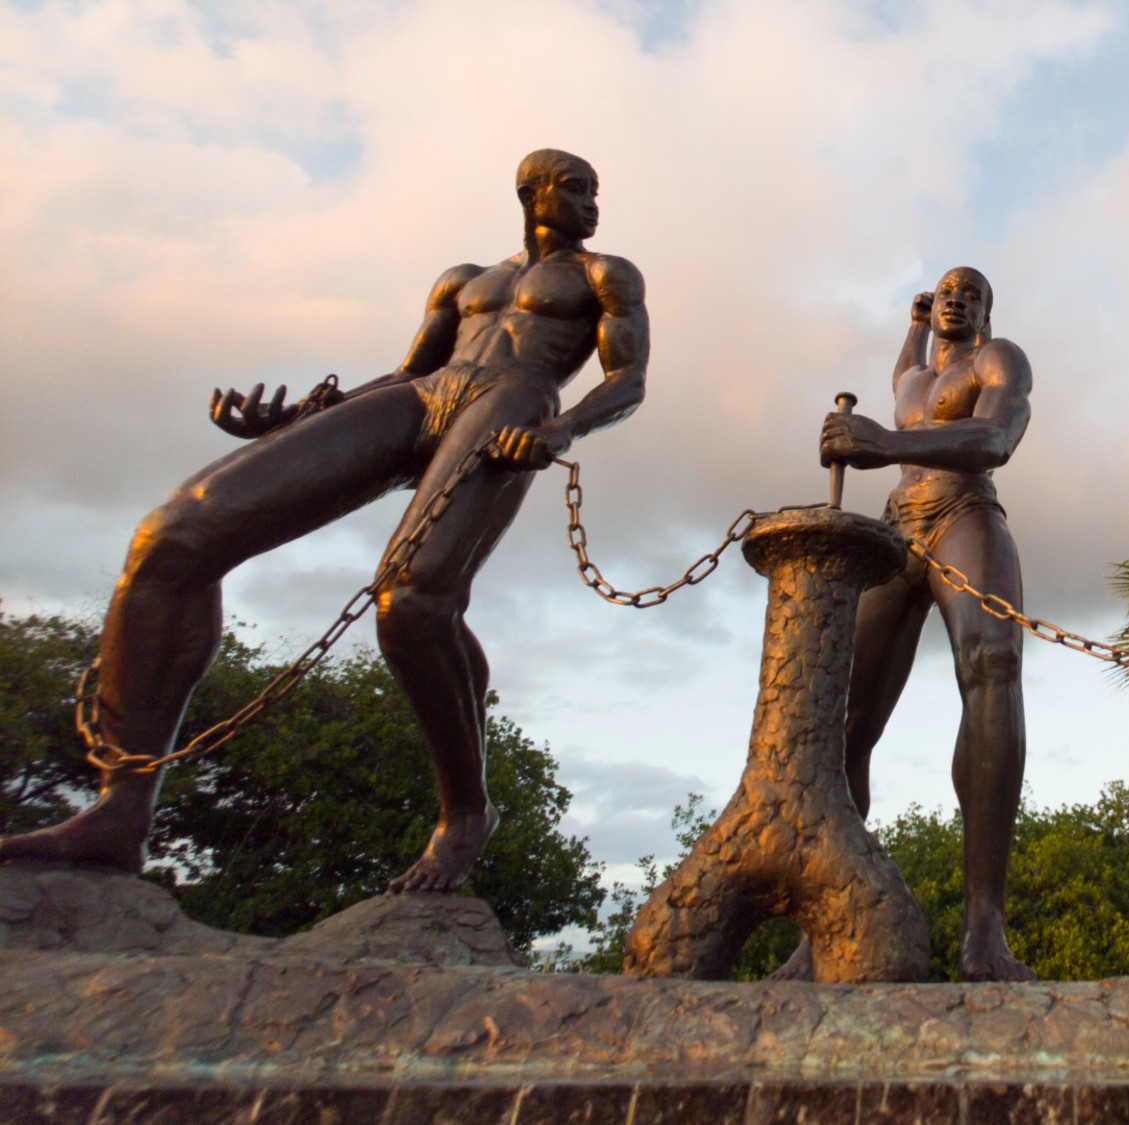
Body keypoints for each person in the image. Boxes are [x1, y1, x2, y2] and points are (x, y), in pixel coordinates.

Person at [1, 149, 648, 895]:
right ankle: (118, 813)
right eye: (575, 188)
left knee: (410, 601)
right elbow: (408, 373)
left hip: (514, 400)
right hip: (426, 393)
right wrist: (304, 416)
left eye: (594, 191)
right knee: (171, 536)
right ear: (530, 194)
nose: (591, 203)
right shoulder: (464, 280)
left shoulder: (607, 275)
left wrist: (562, 429)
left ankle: (465, 813)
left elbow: (627, 379)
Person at [797, 266, 1036, 982]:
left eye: (972, 291)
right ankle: (822, 929)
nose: (956, 297)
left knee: (992, 667)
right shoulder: (908, 376)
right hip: (898, 524)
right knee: (844, 713)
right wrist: (852, 432)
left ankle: (983, 927)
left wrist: (882, 447)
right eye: (945, 291)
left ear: (988, 311)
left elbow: (993, 437)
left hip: (965, 514)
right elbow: (903, 366)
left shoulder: (1000, 359)